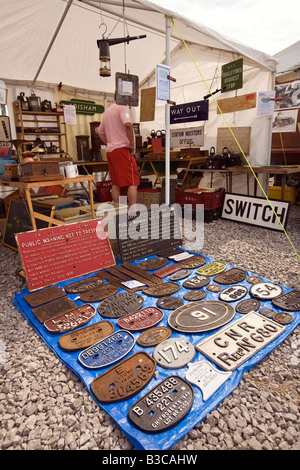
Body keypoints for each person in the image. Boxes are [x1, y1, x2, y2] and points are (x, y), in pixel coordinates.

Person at [98, 97, 139, 207]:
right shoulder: (123, 107)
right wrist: (131, 144)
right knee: (133, 181)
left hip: (111, 151)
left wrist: (110, 142)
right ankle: (132, 210)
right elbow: (128, 125)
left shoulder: (108, 111)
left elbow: (100, 132)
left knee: (115, 183)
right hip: (122, 150)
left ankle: (117, 210)